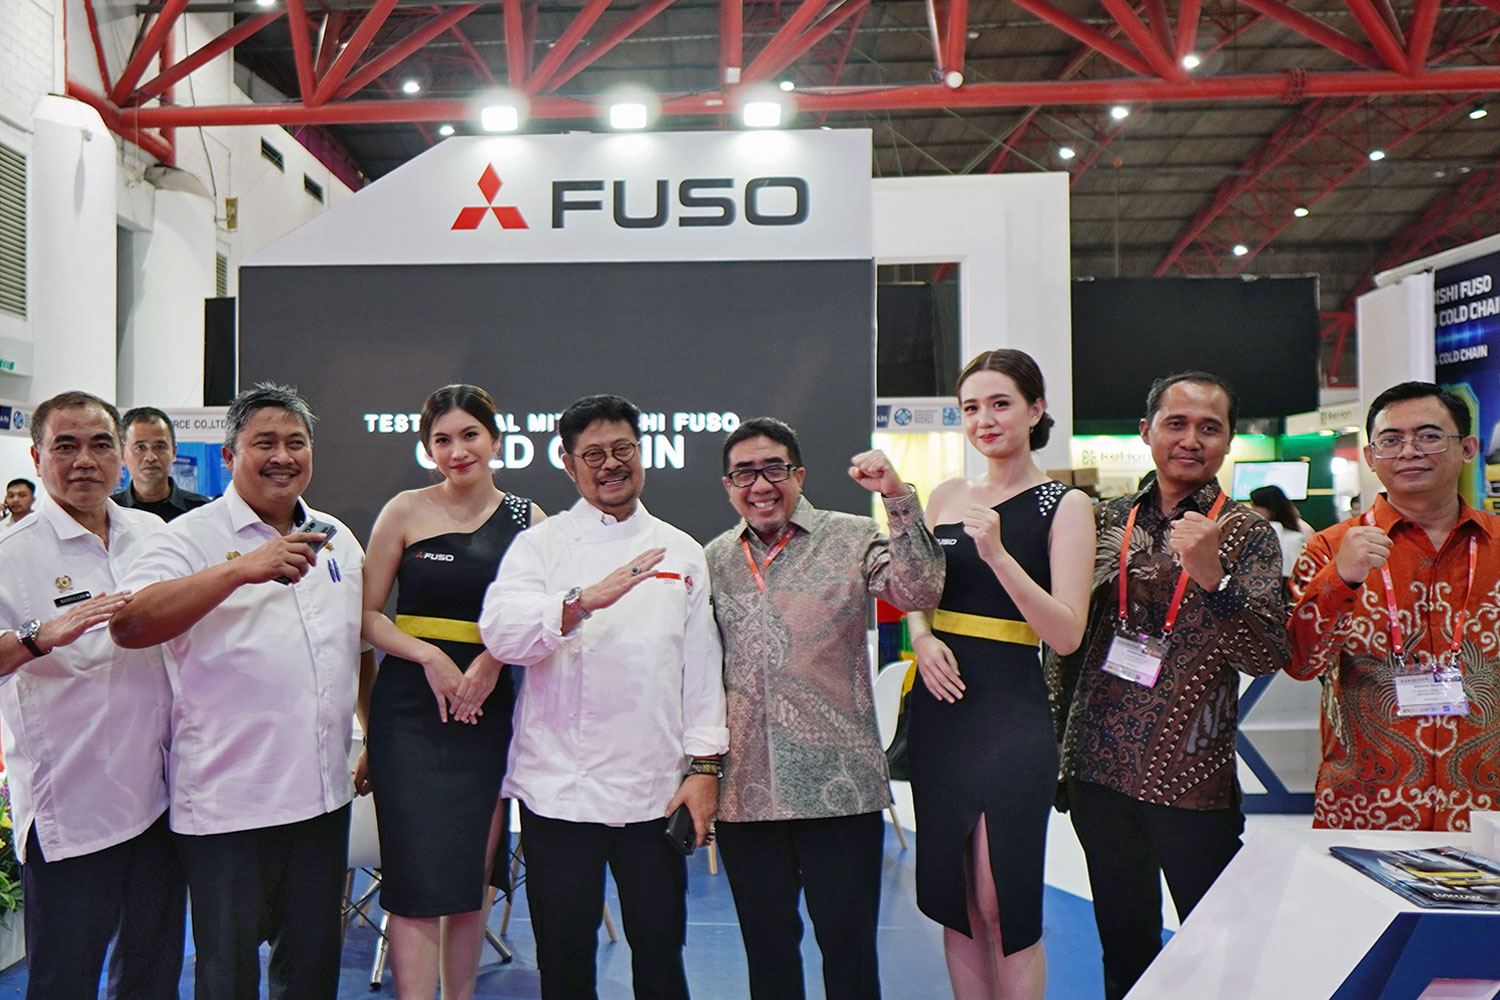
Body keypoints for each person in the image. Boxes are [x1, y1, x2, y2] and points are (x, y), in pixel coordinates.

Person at [110, 383, 365, 999]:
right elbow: (130, 624)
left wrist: (375, 733)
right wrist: (239, 569)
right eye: (264, 443)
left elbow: (356, 648)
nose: (282, 456)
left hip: (322, 799)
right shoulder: (185, 538)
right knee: (227, 975)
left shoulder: (337, 536)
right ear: (229, 456)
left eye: (295, 443)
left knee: (312, 972)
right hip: (229, 804)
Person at [1046, 371, 1289, 1000]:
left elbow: (1265, 654)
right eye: (1176, 423)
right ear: (1146, 431)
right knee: (1124, 946)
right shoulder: (1101, 519)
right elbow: (1062, 642)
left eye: (1209, 427)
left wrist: (1214, 579)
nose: (1191, 439)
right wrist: (1057, 752)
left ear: (1228, 440)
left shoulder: (1245, 532)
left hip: (1190, 777)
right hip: (1098, 766)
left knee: (1221, 951)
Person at [479, 393, 727, 1000]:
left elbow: (702, 670)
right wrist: (582, 602)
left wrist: (704, 768)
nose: (611, 464)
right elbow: (502, 635)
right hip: (559, 789)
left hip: (655, 788)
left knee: (661, 955)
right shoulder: (542, 545)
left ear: (642, 454)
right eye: (593, 454)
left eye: (622, 449)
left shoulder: (681, 550)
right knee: (565, 961)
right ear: (569, 465)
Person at [704, 417, 945, 1000]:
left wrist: (898, 498)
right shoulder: (713, 560)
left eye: (773, 468)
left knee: (849, 953)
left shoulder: (852, 536)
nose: (760, 484)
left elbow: (920, 591)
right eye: (744, 474)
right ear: (728, 486)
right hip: (746, 796)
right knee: (768, 957)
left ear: (799, 474)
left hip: (840, 791)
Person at [904, 350, 1095, 1000]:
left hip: (1011, 712)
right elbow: (916, 590)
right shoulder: (946, 496)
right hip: (941, 711)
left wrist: (998, 554)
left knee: (1000, 899)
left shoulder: (1066, 504)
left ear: (1035, 410)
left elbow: (1066, 633)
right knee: (953, 899)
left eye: (1000, 403)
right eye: (971, 407)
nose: (984, 419)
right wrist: (922, 637)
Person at [359, 385, 543, 1000]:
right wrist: (428, 655)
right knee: (412, 876)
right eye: (442, 440)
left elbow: (543, 617)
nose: (457, 450)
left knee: (471, 876)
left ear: (494, 439)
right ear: (427, 448)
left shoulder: (529, 519)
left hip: (488, 713)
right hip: (408, 712)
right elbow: (366, 616)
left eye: (469, 435)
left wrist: (493, 659)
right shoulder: (404, 511)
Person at [0, 391, 184, 999]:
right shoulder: (12, 555)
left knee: (152, 975)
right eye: (66, 446)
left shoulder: (152, 533)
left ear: (120, 456)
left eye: (101, 444)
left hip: (158, 798)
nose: (85, 460)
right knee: (64, 980)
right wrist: (38, 636)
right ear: (37, 457)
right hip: (72, 808)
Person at [1287, 381, 1500, 830]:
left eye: (1429, 436)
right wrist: (1340, 579)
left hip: (1488, 808)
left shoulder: (1497, 542)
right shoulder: (1328, 548)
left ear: (1467, 448)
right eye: (1391, 439)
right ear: (1370, 457)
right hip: (1367, 804)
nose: (1409, 451)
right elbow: (1300, 663)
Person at [111, 406, 212, 520]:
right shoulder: (109, 512)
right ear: (123, 454)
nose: (151, 457)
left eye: (160, 447)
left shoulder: (202, 511)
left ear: (173, 452)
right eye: (140, 447)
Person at [1249, 484, 1314, 583]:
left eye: (1255, 505)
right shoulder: (1260, 529)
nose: (1252, 510)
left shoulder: (1301, 531)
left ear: (1269, 507)